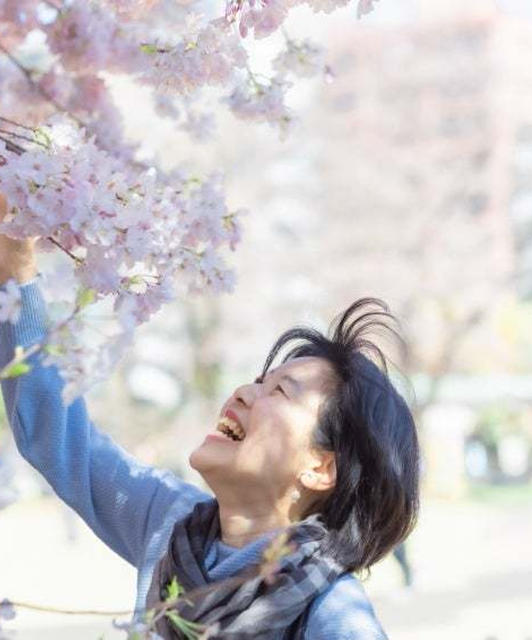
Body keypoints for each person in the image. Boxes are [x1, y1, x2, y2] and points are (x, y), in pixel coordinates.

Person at [0, 195, 421, 639]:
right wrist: (18, 271)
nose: (243, 392)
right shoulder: (168, 522)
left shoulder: (331, 613)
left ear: (320, 467)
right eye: (259, 380)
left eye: (279, 391)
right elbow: (59, 436)